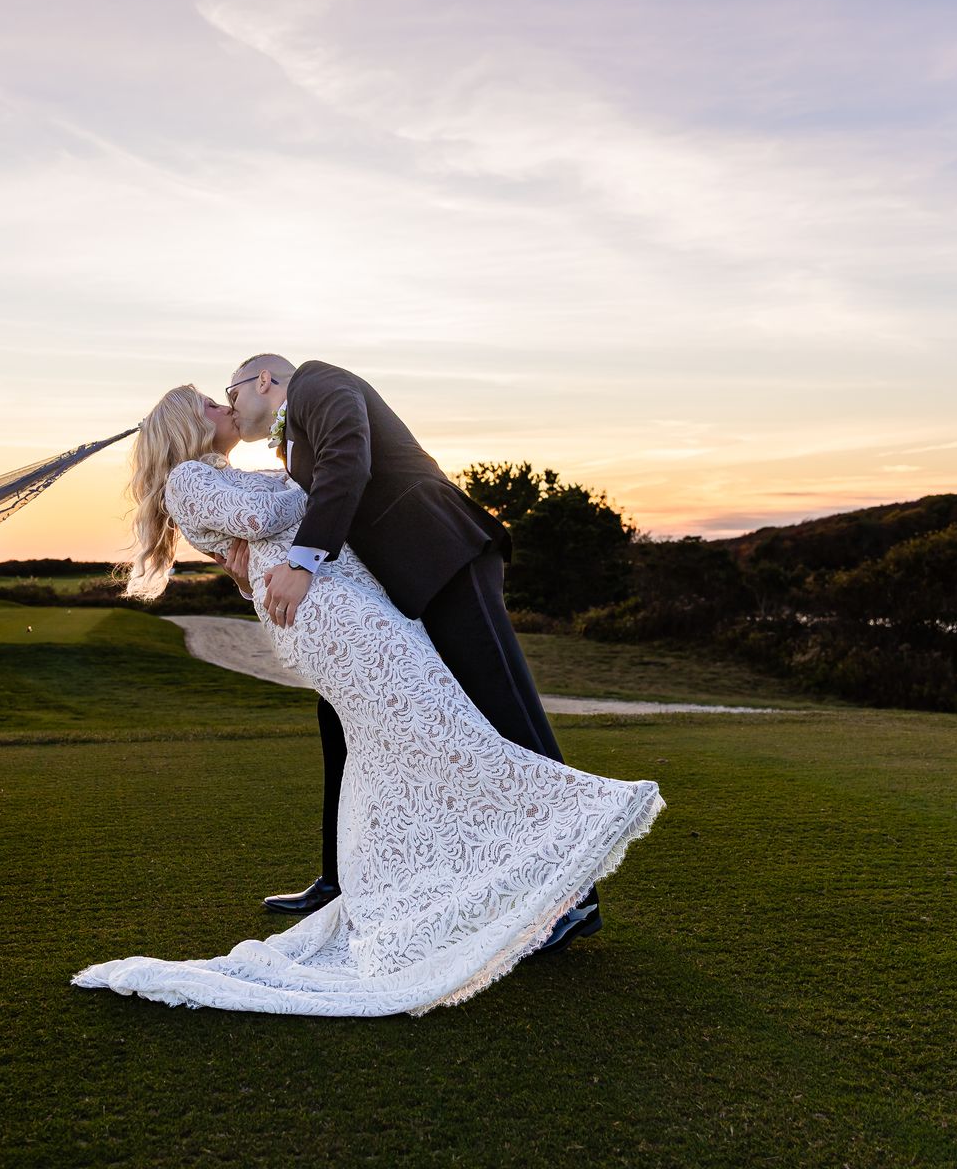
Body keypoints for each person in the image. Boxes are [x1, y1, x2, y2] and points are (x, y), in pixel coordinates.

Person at [70, 385, 661, 1016]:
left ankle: (450, 897)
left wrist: (304, 492)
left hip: (357, 612)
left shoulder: (223, 476)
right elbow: (271, 520)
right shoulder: (186, 480)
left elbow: (274, 537)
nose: (226, 406)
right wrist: (322, 479)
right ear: (186, 427)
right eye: (212, 404)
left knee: (399, 756)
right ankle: (564, 852)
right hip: (339, 621)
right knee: (447, 735)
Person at [224, 355, 606, 951]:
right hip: (393, 589)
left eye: (232, 391)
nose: (231, 405)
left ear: (265, 381)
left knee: (503, 715)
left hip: (442, 555)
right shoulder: (289, 441)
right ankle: (341, 878)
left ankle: (572, 896)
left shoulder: (321, 382)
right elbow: (311, 498)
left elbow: (348, 463)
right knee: (344, 723)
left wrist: (301, 562)